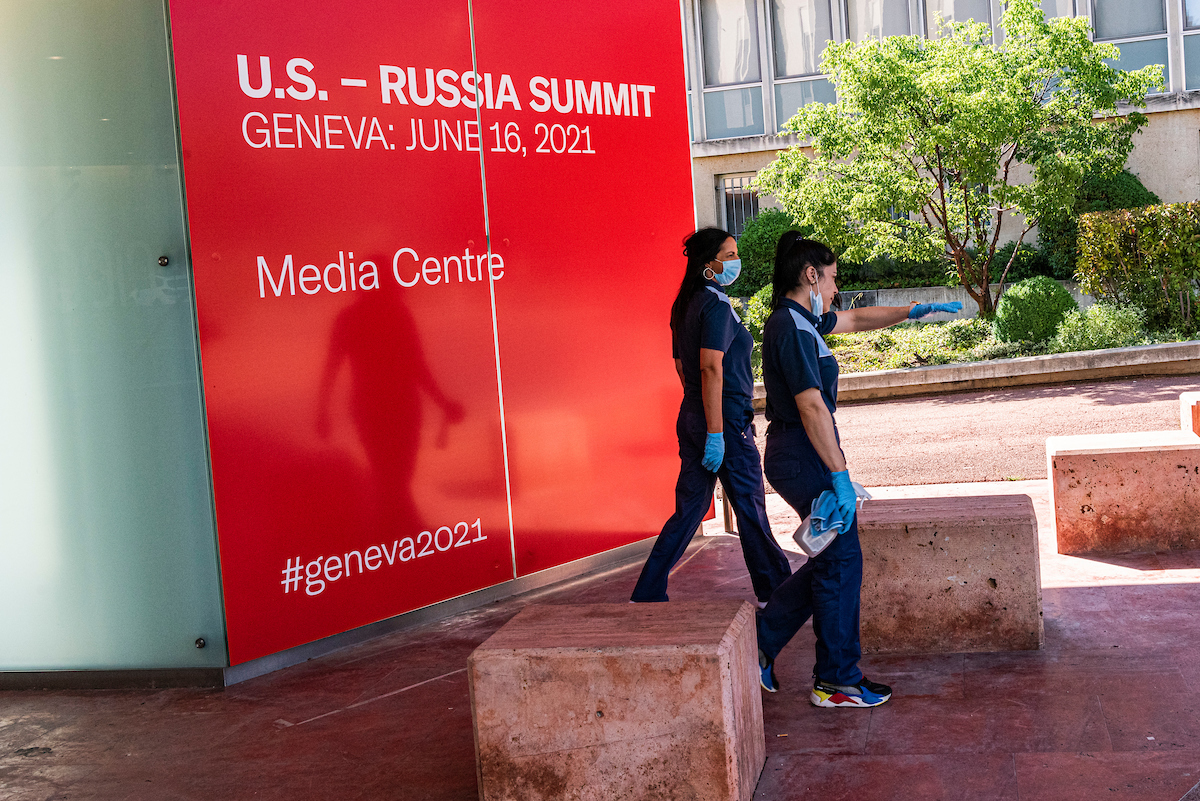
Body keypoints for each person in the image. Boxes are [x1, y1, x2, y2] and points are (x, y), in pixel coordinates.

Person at [755, 234, 960, 708]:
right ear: (811, 275)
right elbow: (809, 405)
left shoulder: (805, 321)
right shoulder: (789, 327)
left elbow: (856, 319)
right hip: (799, 451)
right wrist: (839, 474)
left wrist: (911, 312)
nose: (835, 288)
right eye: (831, 278)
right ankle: (836, 680)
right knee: (842, 559)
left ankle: (763, 642)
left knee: (831, 558)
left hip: (807, 451)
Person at [631, 228, 793, 605]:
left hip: (693, 416)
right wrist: (716, 431)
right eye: (730, 253)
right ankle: (778, 593)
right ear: (709, 263)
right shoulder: (716, 306)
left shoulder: (685, 303)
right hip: (726, 424)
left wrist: (698, 412)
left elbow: (681, 367)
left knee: (688, 510)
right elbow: (709, 368)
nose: (736, 260)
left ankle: (648, 589)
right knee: (751, 510)